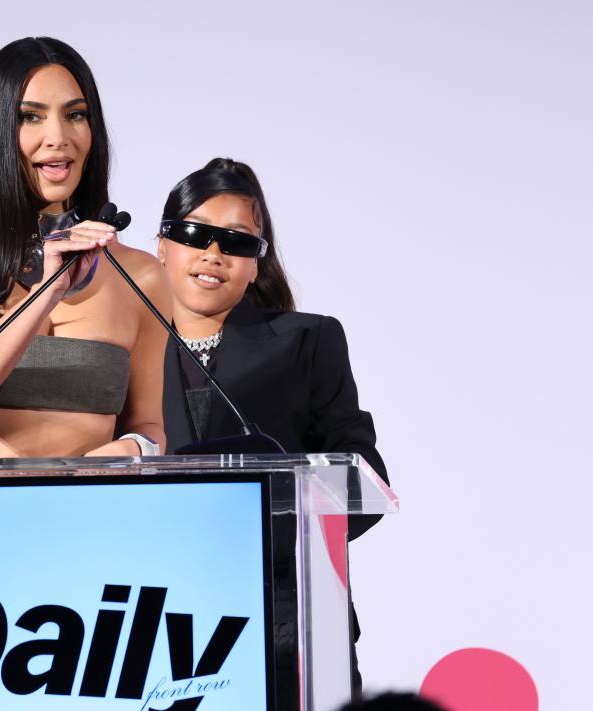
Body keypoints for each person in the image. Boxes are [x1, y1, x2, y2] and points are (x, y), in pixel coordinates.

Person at [156, 157, 390, 693]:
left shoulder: (308, 341)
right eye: (196, 233)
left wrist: (289, 536)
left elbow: (363, 471)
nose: (214, 254)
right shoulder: (125, 350)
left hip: (290, 621)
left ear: (257, 263)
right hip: (159, 617)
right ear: (162, 245)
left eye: (237, 242)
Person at [0, 38, 170, 458]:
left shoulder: (142, 275)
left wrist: (129, 451)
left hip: (97, 512)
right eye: (31, 117)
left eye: (75, 115)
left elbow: (148, 426)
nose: (58, 137)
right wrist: (48, 293)